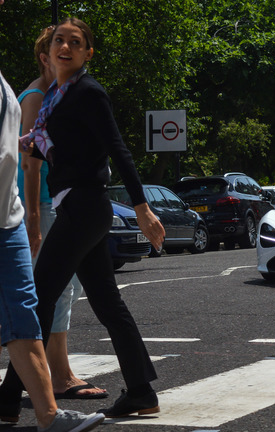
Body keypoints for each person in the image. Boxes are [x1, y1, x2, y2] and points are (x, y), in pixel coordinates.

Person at [0, 17, 166, 419]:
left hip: (85, 208)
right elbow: (54, 149)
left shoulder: (89, 93)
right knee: (108, 303)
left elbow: (117, 148)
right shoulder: (56, 95)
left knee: (36, 299)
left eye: (76, 43)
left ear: (87, 53)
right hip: (78, 208)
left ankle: (6, 403)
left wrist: (143, 208)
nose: (66, 47)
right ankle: (142, 392)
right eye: (60, 40)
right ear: (49, 49)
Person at [0, 4, 105, 430]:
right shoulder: (35, 94)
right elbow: (29, 164)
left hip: (8, 218)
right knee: (37, 305)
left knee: (27, 312)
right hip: (28, 213)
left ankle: (48, 416)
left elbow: (21, 148)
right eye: (56, 44)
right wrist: (35, 220)